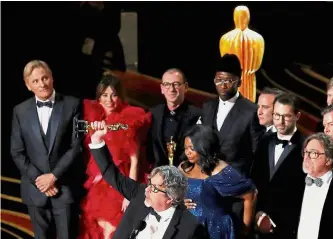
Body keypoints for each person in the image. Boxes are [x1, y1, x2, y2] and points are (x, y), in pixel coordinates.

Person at [87, 120, 208, 239]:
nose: (147, 190)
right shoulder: (139, 193)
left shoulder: (190, 228)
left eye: (154, 188)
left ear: (170, 198)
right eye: (149, 183)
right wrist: (97, 139)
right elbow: (111, 173)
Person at [10, 60, 82, 239]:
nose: (42, 84)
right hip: (35, 192)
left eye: (45, 78)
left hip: (63, 189)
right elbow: (17, 152)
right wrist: (40, 180)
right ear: (28, 85)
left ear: (52, 78)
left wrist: (53, 176)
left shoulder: (73, 104)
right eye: (35, 81)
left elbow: (76, 146)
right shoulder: (20, 111)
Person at [78, 74, 151, 239]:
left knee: (115, 227)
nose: (109, 100)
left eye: (114, 95)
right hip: (97, 184)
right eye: (104, 95)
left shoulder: (128, 119)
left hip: (120, 182)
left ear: (120, 96)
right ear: (99, 97)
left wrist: (128, 193)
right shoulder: (92, 118)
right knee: (97, 226)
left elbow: (135, 159)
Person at [179, 125, 257, 239]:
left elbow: (251, 194)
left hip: (216, 229)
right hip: (190, 226)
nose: (187, 153)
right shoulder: (184, 167)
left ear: (203, 147)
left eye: (192, 148)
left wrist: (245, 228)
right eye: (185, 148)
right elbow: (172, 191)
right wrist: (180, 202)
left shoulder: (221, 171)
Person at [199, 53, 264, 175]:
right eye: (219, 80)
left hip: (235, 182)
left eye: (229, 81)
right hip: (206, 178)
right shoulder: (207, 106)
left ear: (239, 82)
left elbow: (258, 154)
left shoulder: (251, 111)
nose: (223, 86)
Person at [251, 93, 306, 239]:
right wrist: (258, 213)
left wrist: (275, 220)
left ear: (297, 116)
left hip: (286, 227)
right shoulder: (264, 141)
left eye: (286, 116)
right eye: (276, 115)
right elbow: (255, 179)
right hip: (257, 221)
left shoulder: (306, 147)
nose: (280, 122)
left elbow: (302, 193)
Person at [148, 68, 201, 168]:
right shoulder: (153, 113)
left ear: (185, 87)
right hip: (159, 175)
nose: (171, 89)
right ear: (162, 88)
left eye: (176, 84)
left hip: (188, 174)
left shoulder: (198, 115)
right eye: (167, 84)